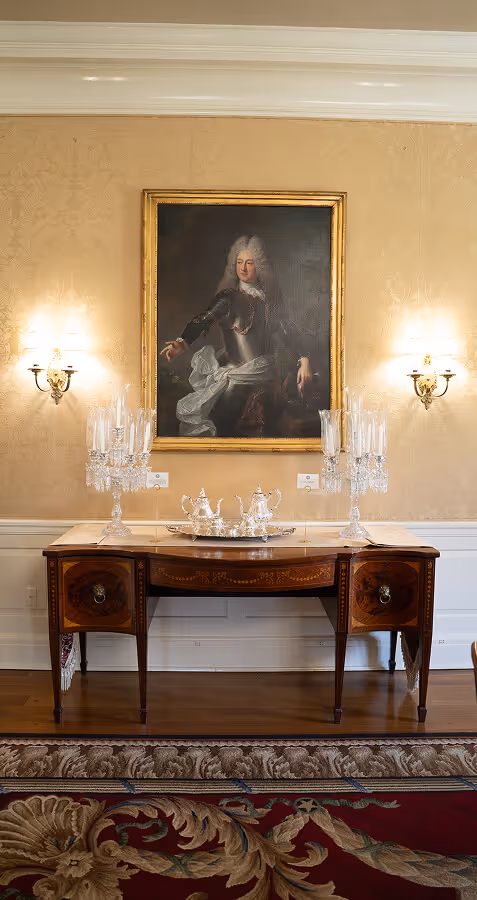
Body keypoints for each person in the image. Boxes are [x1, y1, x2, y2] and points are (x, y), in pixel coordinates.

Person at [161, 235, 312, 438]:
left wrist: (304, 360)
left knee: (273, 432)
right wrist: (182, 341)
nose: (243, 268)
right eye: (239, 263)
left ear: (259, 266)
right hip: (235, 378)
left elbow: (288, 331)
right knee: (226, 430)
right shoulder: (228, 298)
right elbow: (203, 319)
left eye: (249, 263)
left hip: (267, 376)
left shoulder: (270, 301)